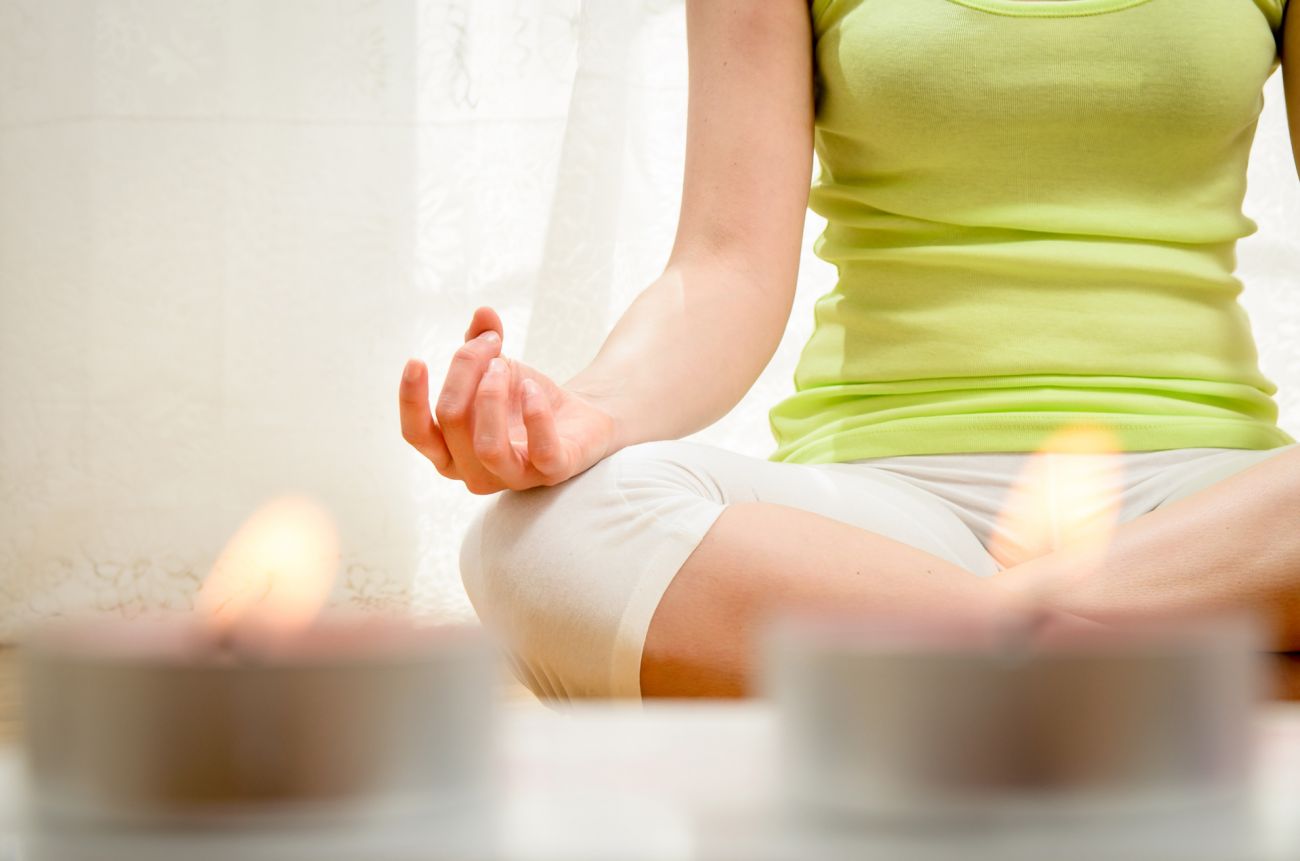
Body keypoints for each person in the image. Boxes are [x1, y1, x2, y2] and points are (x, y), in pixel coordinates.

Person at [399, 0, 1300, 702]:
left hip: (1208, 520)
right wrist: (584, 411)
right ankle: (1218, 690)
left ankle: (956, 653)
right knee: (541, 536)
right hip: (879, 515)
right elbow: (726, 265)